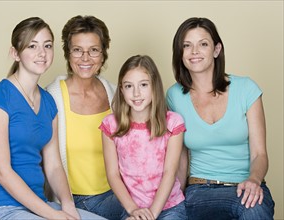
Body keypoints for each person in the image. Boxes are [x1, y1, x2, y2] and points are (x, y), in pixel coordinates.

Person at [0, 17, 103, 220]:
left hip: (38, 205)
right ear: (15, 53)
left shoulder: (48, 101)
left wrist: (67, 205)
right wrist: (52, 215)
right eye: (32, 46)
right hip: (0, 208)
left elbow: (53, 165)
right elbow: (1, 171)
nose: (42, 53)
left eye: (47, 45)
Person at [166, 17, 275, 220]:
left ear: (216, 50)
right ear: (180, 53)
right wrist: (173, 198)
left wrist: (254, 179)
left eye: (203, 44)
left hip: (244, 188)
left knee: (255, 212)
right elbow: (180, 157)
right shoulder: (174, 96)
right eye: (187, 45)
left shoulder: (246, 89)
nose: (195, 51)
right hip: (199, 190)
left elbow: (259, 154)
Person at [46, 15, 124, 219]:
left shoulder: (117, 97)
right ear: (68, 53)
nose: (85, 58)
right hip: (73, 201)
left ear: (103, 54)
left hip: (116, 196)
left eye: (94, 50)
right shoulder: (52, 97)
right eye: (77, 50)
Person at [99, 55, 188, 220]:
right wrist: (134, 211)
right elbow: (113, 174)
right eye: (129, 86)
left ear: (154, 86)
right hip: (131, 208)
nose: (136, 93)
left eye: (144, 85)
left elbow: (169, 172)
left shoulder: (173, 123)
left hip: (169, 207)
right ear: (121, 89)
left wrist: (151, 215)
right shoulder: (111, 125)